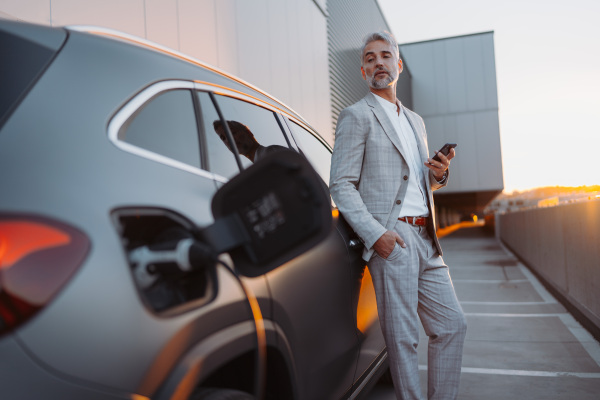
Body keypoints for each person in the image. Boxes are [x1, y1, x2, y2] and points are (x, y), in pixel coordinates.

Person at [329, 31, 467, 400]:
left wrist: (438, 175)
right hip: (394, 242)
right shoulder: (355, 116)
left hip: (428, 241)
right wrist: (379, 237)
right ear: (362, 70)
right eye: (371, 58)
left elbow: (416, 183)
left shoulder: (415, 121)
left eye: (386, 56)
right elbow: (341, 185)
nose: (379, 63)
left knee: (452, 325)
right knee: (403, 341)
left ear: (399, 65)